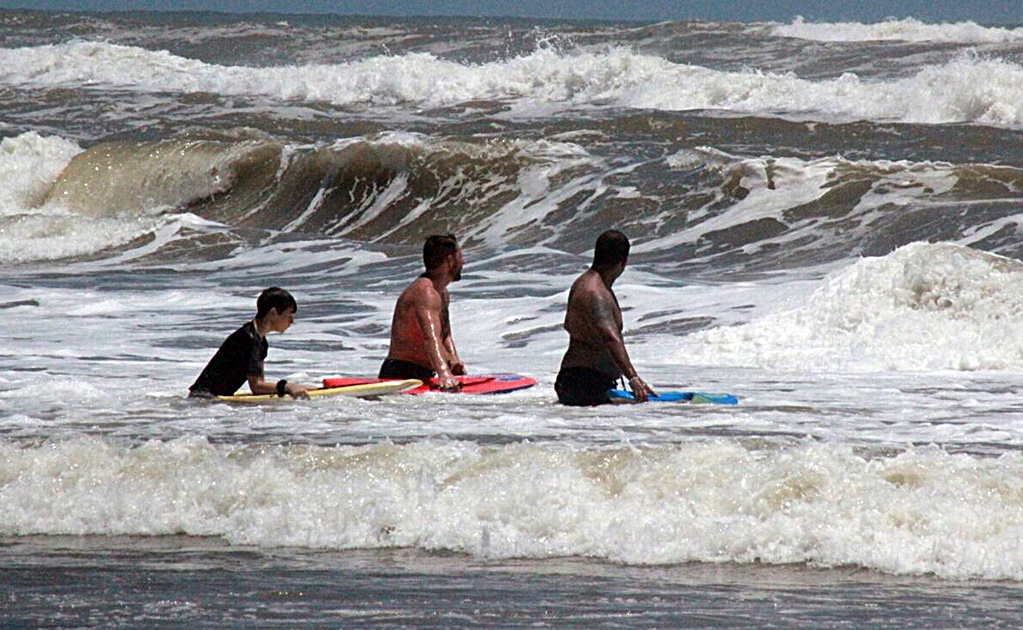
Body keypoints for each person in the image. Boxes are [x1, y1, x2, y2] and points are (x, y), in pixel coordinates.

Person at [555, 230, 656, 406]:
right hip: (586, 384)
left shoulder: (585, 283)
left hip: (578, 381)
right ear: (623, 261)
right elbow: (610, 337)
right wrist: (633, 377)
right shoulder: (596, 293)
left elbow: (570, 326)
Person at [378, 233, 466, 391]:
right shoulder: (425, 292)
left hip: (425, 372)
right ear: (450, 260)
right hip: (401, 373)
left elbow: (444, 334)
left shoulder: (442, 293)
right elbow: (430, 337)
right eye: (460, 256)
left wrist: (453, 361)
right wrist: (444, 373)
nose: (463, 262)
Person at [189, 287, 311, 399]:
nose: (292, 321)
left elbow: (260, 386)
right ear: (273, 313)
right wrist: (287, 387)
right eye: (289, 314)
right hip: (203, 399)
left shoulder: (260, 341)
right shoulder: (247, 338)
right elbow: (256, 387)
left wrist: (305, 388)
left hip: (211, 399)